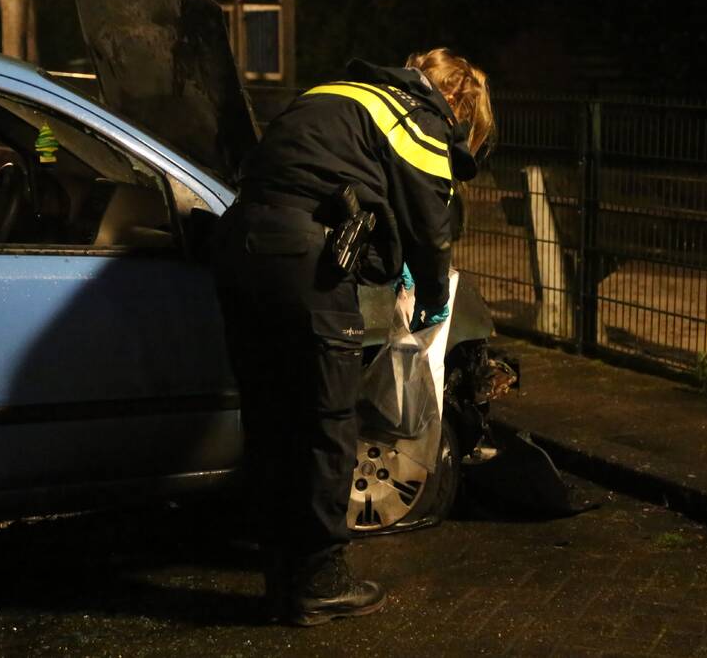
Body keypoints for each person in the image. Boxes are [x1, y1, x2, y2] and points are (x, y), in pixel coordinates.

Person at [211, 48, 494, 626]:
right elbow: (431, 233)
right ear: (459, 102)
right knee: (326, 423)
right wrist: (434, 300)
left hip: (240, 244)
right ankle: (319, 582)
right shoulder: (418, 119)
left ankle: (280, 576)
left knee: (270, 416)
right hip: (303, 259)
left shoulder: (336, 93)